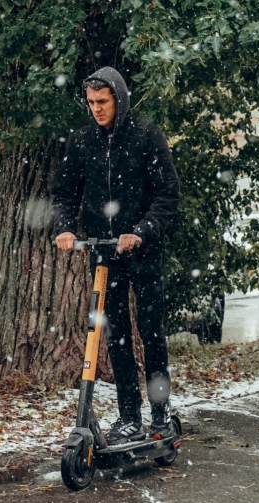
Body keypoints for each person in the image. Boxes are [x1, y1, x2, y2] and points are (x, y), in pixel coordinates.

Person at [52, 67, 181, 443]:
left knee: (151, 331)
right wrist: (64, 228)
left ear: (118, 99)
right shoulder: (82, 142)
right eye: (91, 102)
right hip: (104, 254)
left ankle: (160, 411)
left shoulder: (145, 136)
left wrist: (140, 232)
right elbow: (63, 193)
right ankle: (129, 416)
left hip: (142, 250)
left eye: (103, 102)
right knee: (116, 336)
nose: (96, 109)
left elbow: (167, 196)